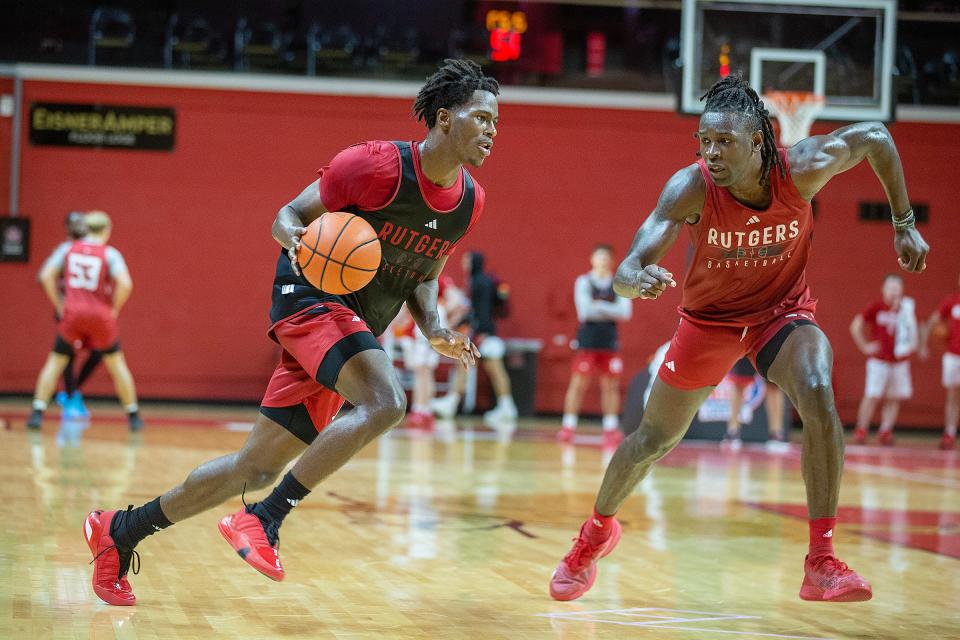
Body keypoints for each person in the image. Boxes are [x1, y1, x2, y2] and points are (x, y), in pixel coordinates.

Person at [82, 59, 498, 607]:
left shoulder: (468, 202)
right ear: (444, 119)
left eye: (497, 123)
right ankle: (265, 520)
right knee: (386, 401)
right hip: (309, 299)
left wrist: (436, 326)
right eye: (483, 118)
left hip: (352, 329)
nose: (492, 132)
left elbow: (424, 272)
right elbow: (287, 215)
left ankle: (121, 530)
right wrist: (304, 245)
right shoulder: (373, 166)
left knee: (254, 465)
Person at [548, 74, 928, 604]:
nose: (712, 153)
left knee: (818, 391)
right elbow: (626, 270)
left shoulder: (803, 169)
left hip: (781, 313)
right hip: (710, 322)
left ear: (758, 142)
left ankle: (821, 560)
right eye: (705, 142)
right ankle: (593, 536)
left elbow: (876, 138)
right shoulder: (692, 186)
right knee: (651, 440)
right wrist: (637, 280)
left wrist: (903, 221)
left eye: (724, 142)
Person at [27, 211, 143, 432]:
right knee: (117, 365)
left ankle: (36, 412)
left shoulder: (67, 249)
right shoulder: (110, 253)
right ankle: (133, 416)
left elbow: (45, 276)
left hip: (72, 314)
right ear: (107, 230)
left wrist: (60, 304)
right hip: (100, 315)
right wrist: (114, 308)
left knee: (56, 362)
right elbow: (126, 284)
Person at [558, 244, 632, 448]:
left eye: (606, 258)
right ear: (592, 260)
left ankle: (610, 428)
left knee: (610, 385)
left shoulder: (619, 283)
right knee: (578, 384)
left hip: (609, 340)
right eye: (599, 258)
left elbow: (625, 313)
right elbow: (584, 312)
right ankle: (568, 426)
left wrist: (598, 306)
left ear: (612, 261)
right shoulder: (583, 281)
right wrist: (610, 309)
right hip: (588, 339)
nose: (602, 262)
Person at [431, 251, 518, 424]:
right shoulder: (482, 280)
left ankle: (506, 407)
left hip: (483, 333)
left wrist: (481, 332)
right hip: (483, 331)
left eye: (466, 260)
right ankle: (453, 403)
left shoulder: (478, 282)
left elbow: (481, 310)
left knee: (494, 369)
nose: (463, 263)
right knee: (466, 365)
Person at [38, 211, 104, 417]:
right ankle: (69, 396)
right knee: (66, 354)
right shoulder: (65, 250)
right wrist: (59, 303)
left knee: (100, 352)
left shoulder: (95, 249)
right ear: (67, 227)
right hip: (70, 310)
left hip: (91, 312)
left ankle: (71, 392)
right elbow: (45, 276)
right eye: (73, 223)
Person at [849, 274, 917, 446]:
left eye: (897, 287)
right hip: (879, 361)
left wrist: (914, 345)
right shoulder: (876, 307)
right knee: (872, 395)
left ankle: (886, 430)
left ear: (902, 290)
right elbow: (856, 326)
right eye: (890, 287)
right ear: (884, 289)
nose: (894, 291)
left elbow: (915, 331)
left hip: (899, 361)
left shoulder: (906, 309)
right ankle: (862, 429)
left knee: (894, 397)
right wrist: (865, 346)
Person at [919, 270, 960, 450]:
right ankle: (950, 433)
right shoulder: (951, 302)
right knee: (952, 396)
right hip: (953, 356)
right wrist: (924, 343)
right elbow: (934, 321)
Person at [722, 357, 788, 451]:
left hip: (767, 343)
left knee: (774, 385)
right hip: (746, 345)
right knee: (739, 382)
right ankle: (732, 431)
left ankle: (776, 434)